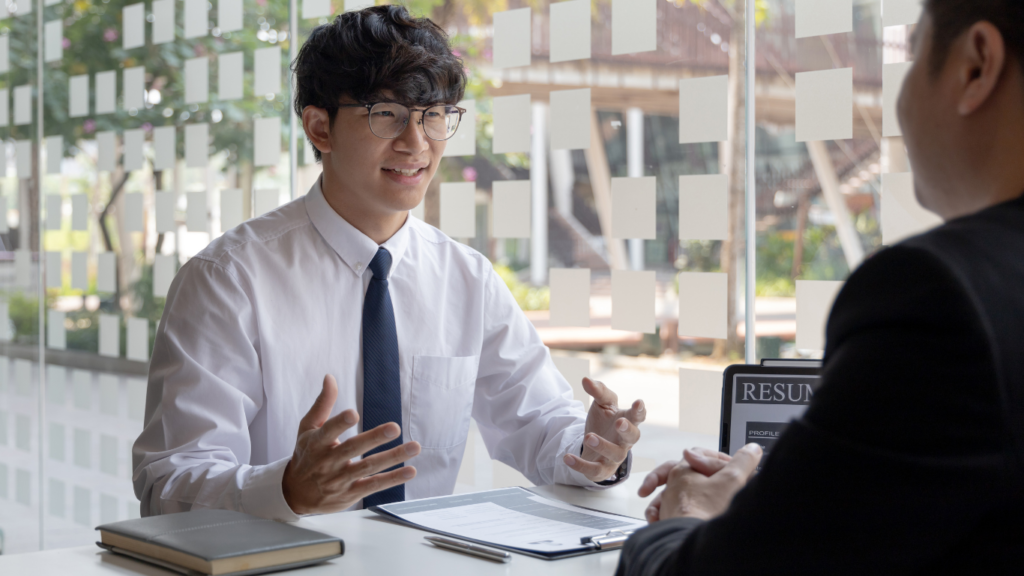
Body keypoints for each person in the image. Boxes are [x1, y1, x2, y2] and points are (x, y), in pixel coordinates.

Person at [133, 5, 645, 521]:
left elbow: (539, 421)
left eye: (435, 116)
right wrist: (287, 491)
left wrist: (594, 450)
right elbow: (170, 481)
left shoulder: (467, 278)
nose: (416, 143)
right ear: (319, 127)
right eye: (388, 115)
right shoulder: (228, 280)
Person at [616, 0, 1024, 574]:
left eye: (910, 58)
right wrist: (794, 487)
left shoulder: (938, 294)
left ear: (977, 65)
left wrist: (690, 514)